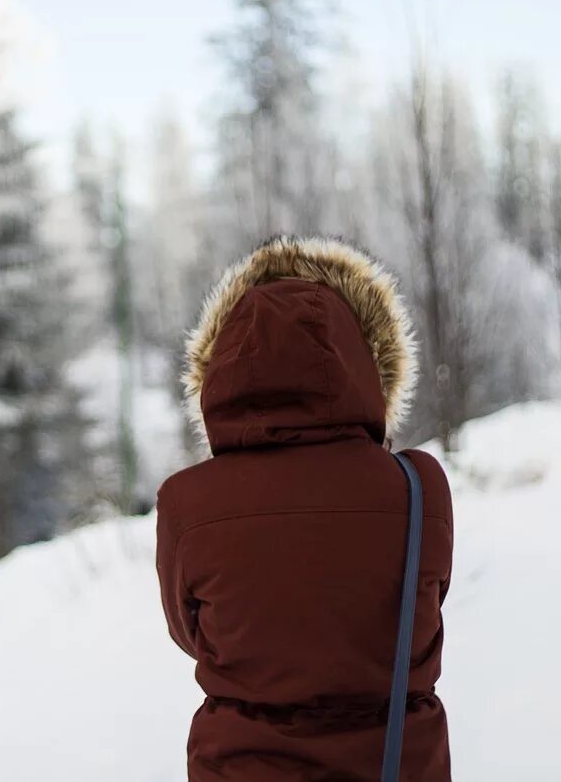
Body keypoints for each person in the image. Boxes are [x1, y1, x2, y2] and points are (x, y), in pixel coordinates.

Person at [156, 235, 453, 782]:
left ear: (219, 373)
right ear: (369, 363)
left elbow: (190, 634)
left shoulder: (186, 503)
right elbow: (423, 608)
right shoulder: (418, 487)